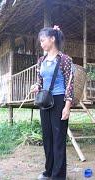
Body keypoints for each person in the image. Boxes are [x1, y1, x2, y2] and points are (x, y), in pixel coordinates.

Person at [31, 25, 74, 180]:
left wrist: (67, 106)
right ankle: (48, 171)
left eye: (43, 40)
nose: (41, 43)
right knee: (47, 137)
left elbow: (70, 84)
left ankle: (58, 175)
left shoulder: (65, 60)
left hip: (59, 100)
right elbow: (40, 82)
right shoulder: (41, 60)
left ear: (52, 39)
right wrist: (36, 87)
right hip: (45, 101)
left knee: (58, 139)